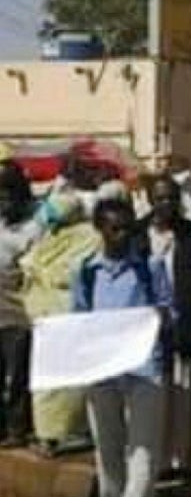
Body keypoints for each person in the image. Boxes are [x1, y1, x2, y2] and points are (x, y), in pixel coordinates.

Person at [73, 195, 174, 497]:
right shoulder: (85, 270)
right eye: (113, 229)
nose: (121, 236)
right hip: (102, 369)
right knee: (107, 443)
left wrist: (154, 320)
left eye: (127, 229)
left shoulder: (151, 266)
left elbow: (167, 310)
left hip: (143, 367)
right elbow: (80, 319)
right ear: (99, 229)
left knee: (143, 444)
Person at [144, 173, 191, 484]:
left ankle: (186, 463)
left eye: (172, 198)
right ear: (150, 201)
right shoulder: (136, 235)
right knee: (155, 404)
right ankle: (156, 463)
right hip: (148, 337)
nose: (166, 205)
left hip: (187, 330)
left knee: (188, 401)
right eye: (160, 198)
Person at [21, 192, 98, 456]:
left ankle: (71, 433)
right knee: (46, 381)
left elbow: (72, 272)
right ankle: (47, 433)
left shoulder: (90, 236)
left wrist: (41, 270)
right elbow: (29, 260)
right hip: (44, 318)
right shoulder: (50, 235)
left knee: (71, 383)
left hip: (69, 316)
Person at [0, 160, 45, 449]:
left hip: (18, 311)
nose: (3, 202)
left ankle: (18, 428)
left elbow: (37, 268)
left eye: (7, 195)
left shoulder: (35, 227)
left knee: (17, 375)